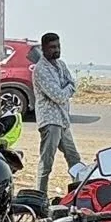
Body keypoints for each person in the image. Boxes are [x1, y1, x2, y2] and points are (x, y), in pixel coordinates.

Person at [33, 31, 80, 196]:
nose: (56, 50)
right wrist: (67, 88)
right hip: (50, 121)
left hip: (63, 120)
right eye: (52, 47)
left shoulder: (61, 65)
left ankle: (79, 194)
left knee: (75, 160)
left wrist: (66, 88)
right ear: (44, 48)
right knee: (46, 163)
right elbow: (58, 96)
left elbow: (73, 83)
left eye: (58, 46)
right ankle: (40, 197)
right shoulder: (40, 69)